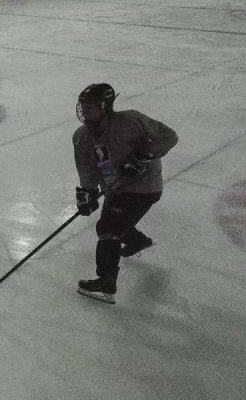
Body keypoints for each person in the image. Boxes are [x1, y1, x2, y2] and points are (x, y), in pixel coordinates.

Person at [72, 83, 178, 304]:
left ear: (104, 106)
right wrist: (87, 194)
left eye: (89, 106)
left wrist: (142, 156)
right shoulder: (82, 136)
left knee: (108, 228)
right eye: (83, 106)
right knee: (117, 221)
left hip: (144, 187)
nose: (84, 111)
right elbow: (87, 169)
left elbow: (168, 137)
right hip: (116, 190)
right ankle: (138, 241)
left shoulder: (130, 121)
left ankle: (106, 283)